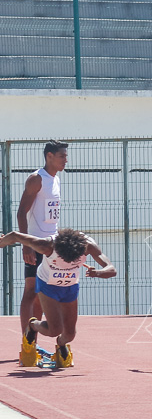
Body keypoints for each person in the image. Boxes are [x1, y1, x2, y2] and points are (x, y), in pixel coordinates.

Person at [0, 228, 116, 369]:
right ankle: (32, 325)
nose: (68, 264)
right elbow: (15, 235)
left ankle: (61, 345)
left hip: (70, 286)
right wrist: (2, 242)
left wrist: (97, 273)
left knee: (70, 334)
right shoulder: (46, 245)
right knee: (54, 329)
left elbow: (111, 269)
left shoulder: (88, 245)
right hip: (47, 285)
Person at [17, 140, 68, 357]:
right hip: (36, 244)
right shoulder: (36, 179)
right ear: (49, 156)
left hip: (52, 247)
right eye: (61, 156)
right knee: (31, 290)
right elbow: (21, 212)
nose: (66, 160)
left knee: (45, 293)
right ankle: (27, 342)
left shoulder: (55, 179)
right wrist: (27, 244)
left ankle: (34, 339)